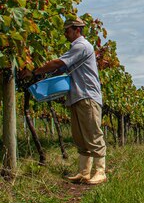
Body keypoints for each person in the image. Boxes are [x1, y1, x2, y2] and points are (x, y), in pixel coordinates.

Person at [31, 17, 107, 185]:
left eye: (67, 30)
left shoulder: (82, 46)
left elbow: (59, 63)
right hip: (76, 96)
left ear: (76, 30)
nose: (65, 33)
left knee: (93, 133)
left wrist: (36, 71)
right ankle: (84, 172)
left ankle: (100, 171)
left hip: (87, 95)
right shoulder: (77, 47)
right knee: (79, 135)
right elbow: (61, 69)